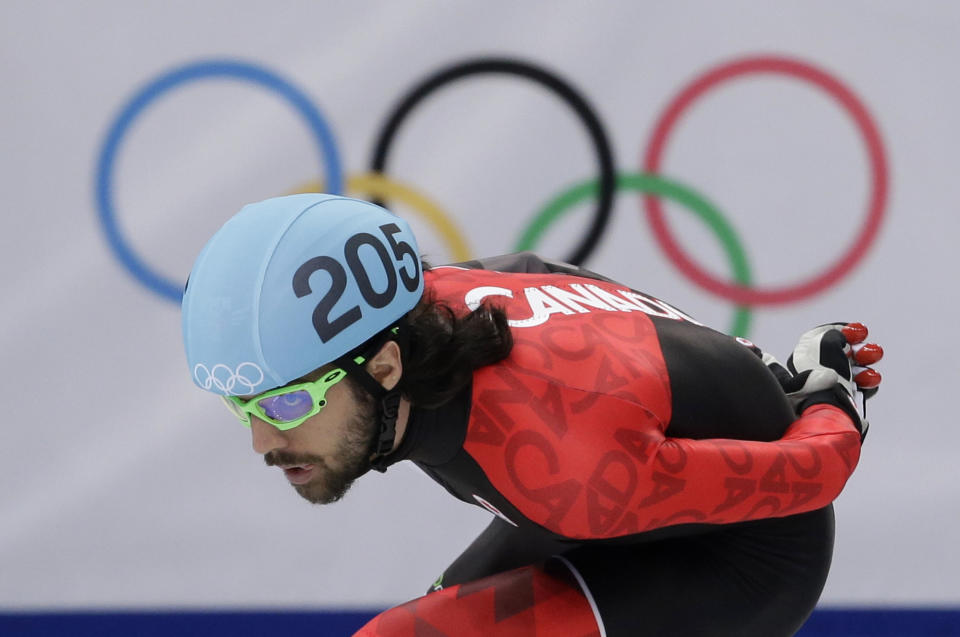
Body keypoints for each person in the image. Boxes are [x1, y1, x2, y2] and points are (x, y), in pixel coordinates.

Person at [181, 194, 883, 637]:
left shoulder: (570, 464)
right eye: (242, 405)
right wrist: (749, 363)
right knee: (440, 610)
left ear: (386, 366)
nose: (261, 439)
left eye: (285, 401)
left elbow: (813, 476)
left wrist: (824, 390)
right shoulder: (440, 302)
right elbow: (556, 275)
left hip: (746, 552)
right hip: (613, 499)